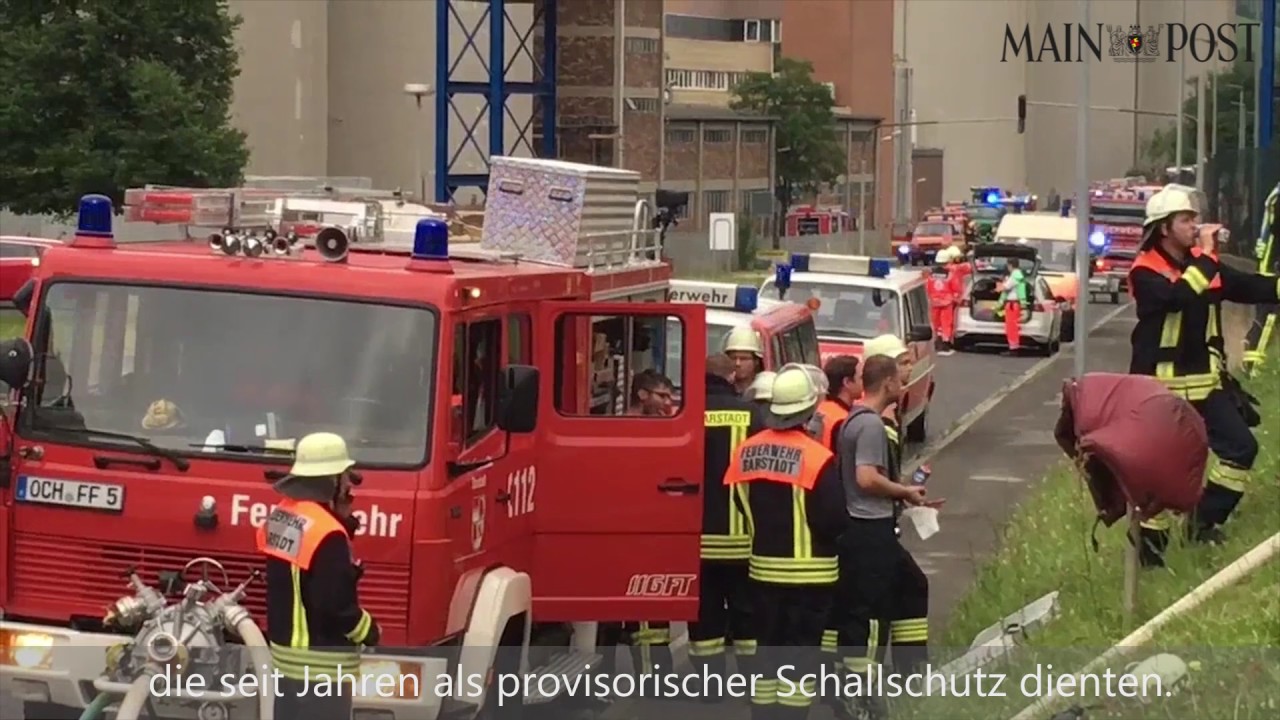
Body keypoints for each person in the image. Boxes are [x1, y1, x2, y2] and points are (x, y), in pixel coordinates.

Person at [1128, 184, 1280, 568]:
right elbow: (1179, 297)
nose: (1195, 225)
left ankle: (1202, 524)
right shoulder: (1146, 270)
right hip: (1158, 392)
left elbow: (1249, 286)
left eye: (1195, 218)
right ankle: (1151, 557)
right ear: (1164, 228)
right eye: (1186, 219)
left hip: (1205, 384)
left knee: (1241, 448)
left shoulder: (1202, 264)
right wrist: (1209, 257)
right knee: (1160, 475)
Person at [723, 365, 848, 720]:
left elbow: (737, 500)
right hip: (812, 577)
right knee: (800, 656)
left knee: (767, 654)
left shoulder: (745, 451)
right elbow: (834, 519)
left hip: (762, 573)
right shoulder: (816, 457)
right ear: (809, 410)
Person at [832, 355, 932, 720]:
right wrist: (904, 492)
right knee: (871, 617)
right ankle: (862, 700)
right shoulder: (872, 426)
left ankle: (910, 678)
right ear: (887, 383)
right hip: (869, 529)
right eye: (899, 379)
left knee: (912, 586)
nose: (903, 385)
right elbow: (866, 478)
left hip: (860, 528)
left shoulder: (852, 421)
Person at [257, 432, 380, 720]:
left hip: (286, 665)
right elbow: (334, 604)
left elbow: (301, 574)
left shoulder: (284, 516)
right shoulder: (328, 534)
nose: (350, 485)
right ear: (332, 482)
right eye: (345, 477)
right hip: (320, 670)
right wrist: (369, 630)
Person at [689, 353, 765, 697]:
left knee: (704, 614)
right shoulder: (752, 415)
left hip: (696, 538)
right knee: (746, 613)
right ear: (731, 375)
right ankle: (750, 682)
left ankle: (709, 687)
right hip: (742, 536)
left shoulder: (686, 413)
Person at [1243, 181, 1279, 376]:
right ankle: (1254, 368)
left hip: (1271, 265)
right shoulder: (1278, 197)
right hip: (1272, 268)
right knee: (1268, 319)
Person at [809, 355, 860, 452]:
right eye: (861, 377)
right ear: (847, 382)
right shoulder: (844, 421)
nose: (865, 382)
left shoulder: (819, 408)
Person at [926, 248, 962, 353]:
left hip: (934, 302)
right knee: (946, 323)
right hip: (947, 302)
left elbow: (928, 287)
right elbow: (956, 288)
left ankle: (938, 341)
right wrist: (956, 299)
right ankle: (946, 342)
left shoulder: (931, 274)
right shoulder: (950, 274)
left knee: (936, 323)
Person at [995, 256, 1029, 355]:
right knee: (1012, 326)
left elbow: (1005, 287)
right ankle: (1013, 346)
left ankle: (1013, 348)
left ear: (1010, 265)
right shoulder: (1018, 275)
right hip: (1014, 304)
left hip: (1012, 304)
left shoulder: (1015, 275)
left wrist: (998, 285)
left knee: (1011, 326)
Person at [723, 326, 765, 396]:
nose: (737, 363)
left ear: (756, 361)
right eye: (733, 358)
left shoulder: (765, 389)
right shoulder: (721, 389)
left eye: (744, 359)